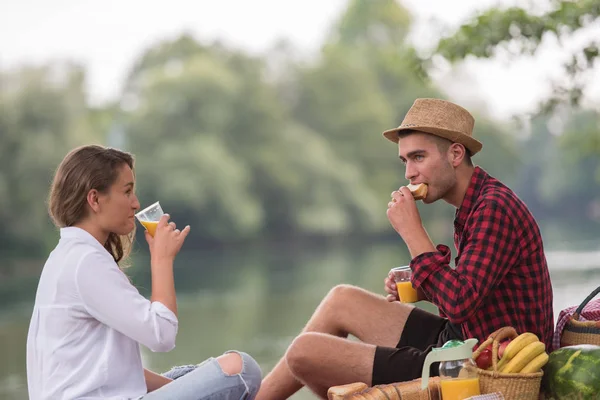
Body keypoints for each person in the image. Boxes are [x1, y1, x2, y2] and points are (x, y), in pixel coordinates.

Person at [255, 98, 554, 399]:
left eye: (419, 157)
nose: (409, 173)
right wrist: (423, 289)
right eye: (405, 161)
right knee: (341, 300)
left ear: (455, 153)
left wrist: (413, 231)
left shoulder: (493, 207)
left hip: (484, 364)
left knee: (304, 353)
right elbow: (472, 295)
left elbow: (460, 303)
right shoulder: (474, 204)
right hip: (460, 339)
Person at [26, 145, 262, 400]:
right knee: (241, 369)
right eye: (127, 191)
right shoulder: (85, 261)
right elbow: (162, 336)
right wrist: (161, 258)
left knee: (196, 372)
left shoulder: (67, 256)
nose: (136, 203)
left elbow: (111, 370)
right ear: (94, 199)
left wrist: (185, 384)